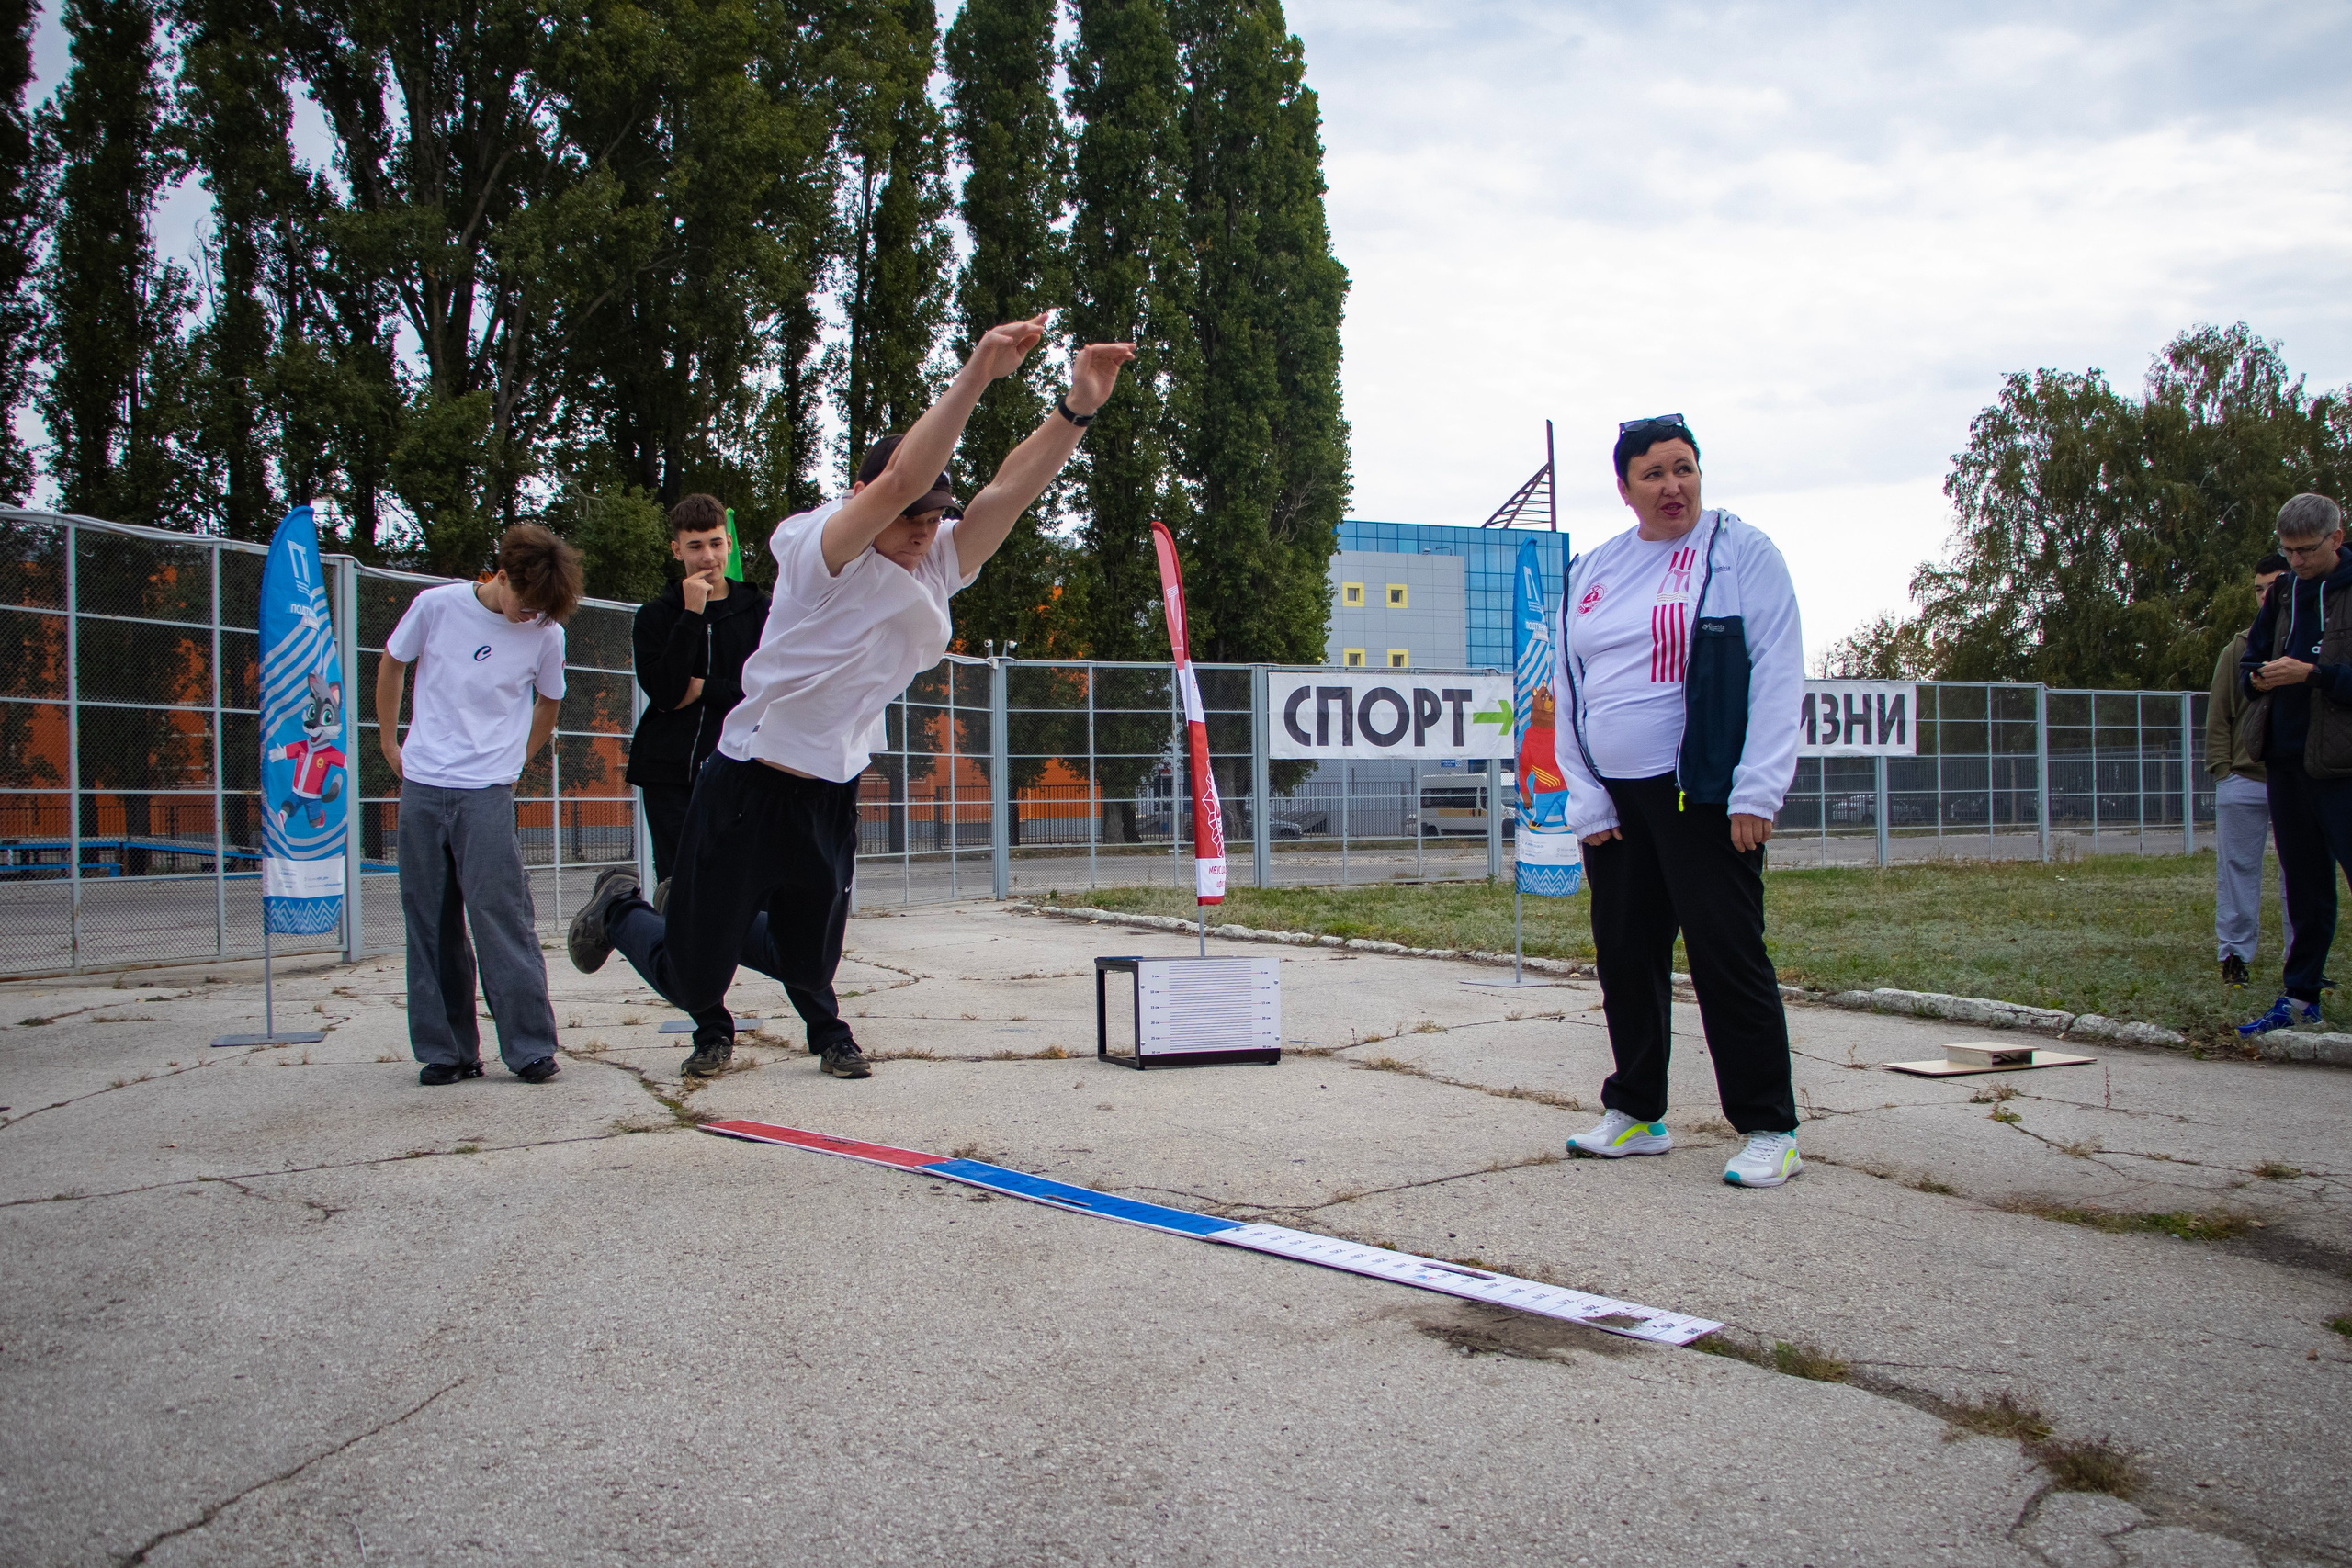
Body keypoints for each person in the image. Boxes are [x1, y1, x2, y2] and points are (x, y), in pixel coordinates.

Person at [566, 315, 1136, 1080]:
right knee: (693, 979)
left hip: (828, 796)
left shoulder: (933, 563)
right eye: (910, 518)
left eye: (935, 519)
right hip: (746, 786)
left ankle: (705, 909)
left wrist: (1077, 409)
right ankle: (621, 907)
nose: (924, 532)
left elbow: (1007, 491)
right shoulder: (818, 549)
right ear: (863, 498)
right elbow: (901, 478)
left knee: (807, 963)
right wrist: (977, 374)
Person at [1552, 414, 1806, 1187]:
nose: (1674, 486)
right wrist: (1585, 796)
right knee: (1625, 956)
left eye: (1685, 468)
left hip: (1705, 792)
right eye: (1655, 473)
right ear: (1625, 487)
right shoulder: (1593, 568)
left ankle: (1770, 1125)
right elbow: (1569, 687)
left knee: (1727, 956)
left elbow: (1777, 674)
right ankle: (1636, 1111)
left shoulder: (1738, 554)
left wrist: (1757, 789)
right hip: (1617, 801)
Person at [625, 496, 843, 1055]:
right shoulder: (656, 617)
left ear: (730, 544)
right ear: (676, 550)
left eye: (717, 543)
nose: (708, 556)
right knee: (687, 905)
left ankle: (826, 1030)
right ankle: (712, 1032)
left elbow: (768, 688)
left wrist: (708, 689)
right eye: (695, 546)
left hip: (750, 776)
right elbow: (670, 690)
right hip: (673, 776)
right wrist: (691, 618)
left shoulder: (764, 610)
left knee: (784, 903)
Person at [376, 524, 582, 1086]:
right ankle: (448, 1052)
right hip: (424, 784)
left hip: (487, 790)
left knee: (502, 918)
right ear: (502, 574)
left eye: (542, 609)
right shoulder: (436, 607)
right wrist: (391, 742)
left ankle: (530, 1046)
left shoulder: (545, 633)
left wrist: (516, 761)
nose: (529, 616)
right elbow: (393, 662)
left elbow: (550, 703)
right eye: (525, 602)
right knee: (430, 921)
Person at [2236, 494, 2352, 1036]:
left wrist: (2313, 675)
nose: (2298, 561)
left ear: (2337, 536)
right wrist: (2258, 676)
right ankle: (2301, 998)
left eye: (2307, 550)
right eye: (2289, 551)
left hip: (2344, 766)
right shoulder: (2281, 593)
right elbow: (2250, 661)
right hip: (2286, 761)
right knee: (2304, 887)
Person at [2209, 553, 2290, 989]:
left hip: (2296, 778)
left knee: (2301, 876)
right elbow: (2218, 715)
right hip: (2243, 779)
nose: (2266, 597)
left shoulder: (2313, 643)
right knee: (2237, 871)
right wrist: (2223, 772)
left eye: (2274, 587)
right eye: (2259, 589)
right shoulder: (2239, 648)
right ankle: (2235, 957)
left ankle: (2303, 965)